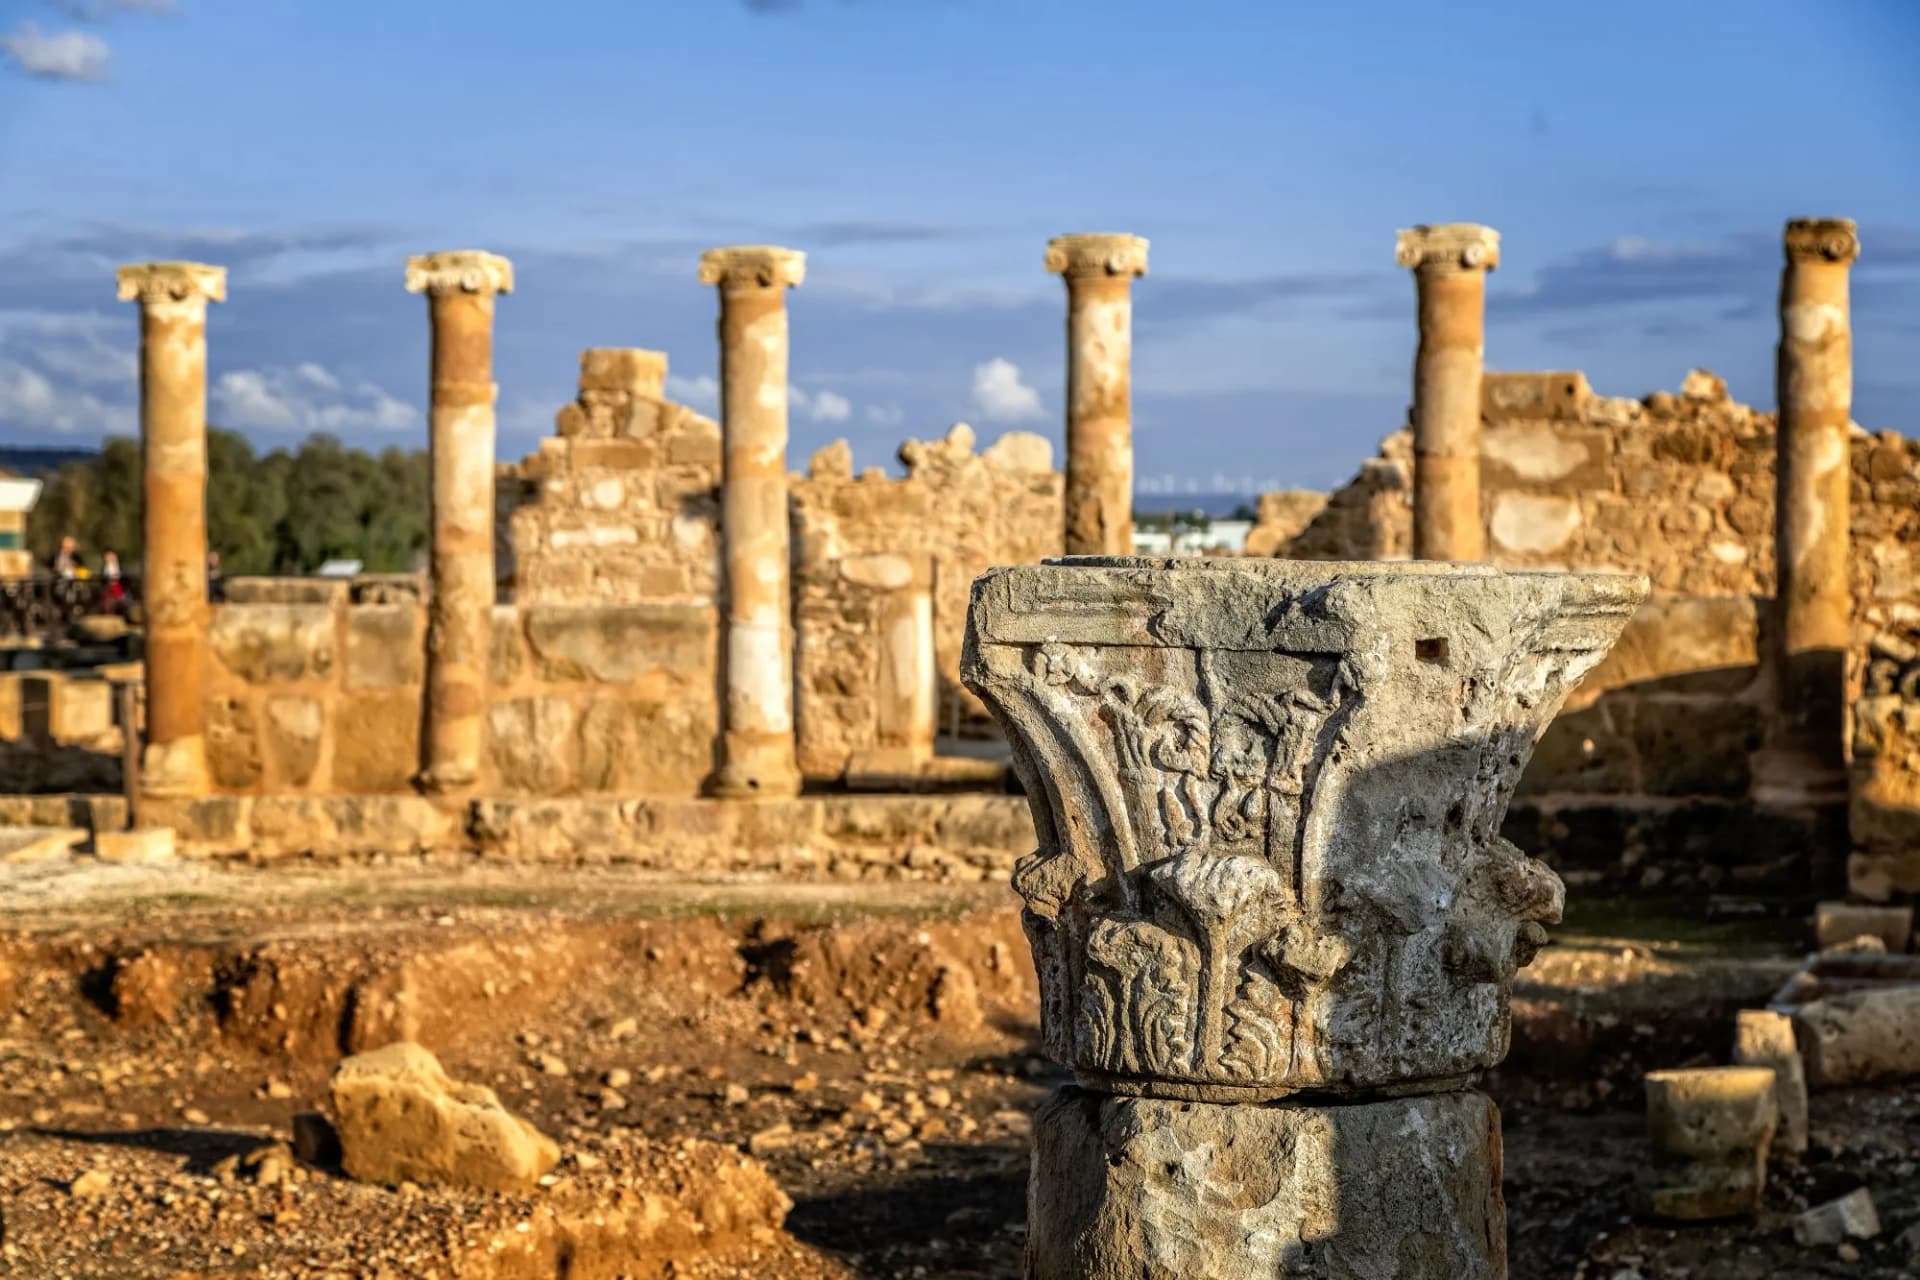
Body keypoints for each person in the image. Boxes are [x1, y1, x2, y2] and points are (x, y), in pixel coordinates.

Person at [101, 550, 125, 615]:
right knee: (108, 602)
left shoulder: (118, 565)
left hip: (117, 585)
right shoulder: (105, 566)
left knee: (120, 600)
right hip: (108, 586)